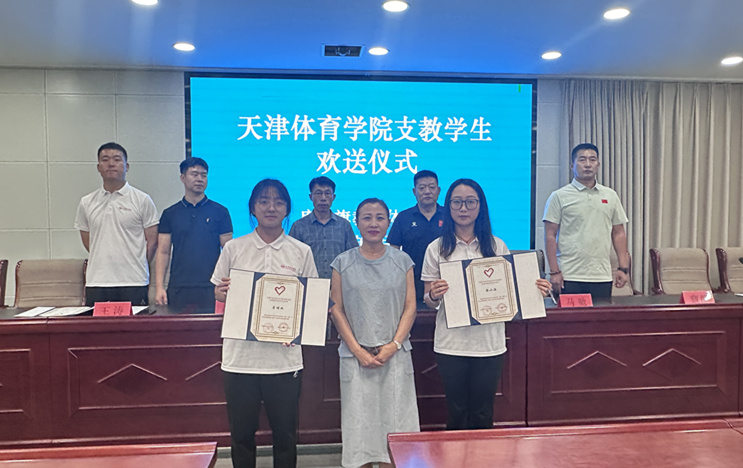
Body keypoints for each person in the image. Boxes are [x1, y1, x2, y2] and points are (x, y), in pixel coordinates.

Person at [421, 178, 551, 430]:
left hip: (489, 343)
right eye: (457, 202)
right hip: (451, 344)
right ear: (448, 206)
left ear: (480, 206)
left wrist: (534, 289)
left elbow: (510, 292)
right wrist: (434, 295)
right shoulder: (436, 248)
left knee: (483, 413)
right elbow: (428, 301)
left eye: (470, 202)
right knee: (457, 412)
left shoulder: (496, 245)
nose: (463, 208)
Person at [212, 179, 317, 468]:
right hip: (240, 359)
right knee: (241, 436)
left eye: (278, 202)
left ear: (287, 209)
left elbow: (310, 301)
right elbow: (218, 290)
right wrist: (222, 292)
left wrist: (298, 328)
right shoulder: (234, 248)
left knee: (285, 436)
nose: (271, 207)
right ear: (252, 208)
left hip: (283, 360)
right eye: (263, 201)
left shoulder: (301, 251)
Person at [330, 198, 419, 468]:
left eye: (380, 217)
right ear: (356, 222)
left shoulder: (402, 261)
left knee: (396, 427)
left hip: (394, 355)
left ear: (388, 223)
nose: (373, 223)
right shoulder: (342, 262)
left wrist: (394, 344)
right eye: (366, 217)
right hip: (356, 358)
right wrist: (358, 350)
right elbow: (336, 309)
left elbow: (410, 306)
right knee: (359, 430)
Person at [75, 142, 159, 306]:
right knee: (97, 323)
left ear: (127, 166)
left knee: (133, 324)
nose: (111, 164)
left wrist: (136, 260)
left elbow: (152, 241)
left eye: (117, 159)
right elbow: (88, 241)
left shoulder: (142, 200)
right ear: (98, 167)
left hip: (134, 280)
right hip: (97, 281)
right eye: (105, 159)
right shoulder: (86, 202)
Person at [543, 143, 630, 299]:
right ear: (572, 165)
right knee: (570, 316)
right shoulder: (559, 196)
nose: (588, 164)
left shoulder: (610, 195)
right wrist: (554, 271)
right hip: (569, 275)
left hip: (601, 276)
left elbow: (618, 233)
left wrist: (623, 268)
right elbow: (550, 235)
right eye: (582, 160)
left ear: (598, 164)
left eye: (592, 159)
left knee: (601, 316)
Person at [155, 157, 232, 312]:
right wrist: (159, 287)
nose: (199, 179)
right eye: (194, 174)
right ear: (182, 178)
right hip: (179, 286)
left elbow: (229, 251)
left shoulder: (220, 212)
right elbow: (163, 252)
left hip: (211, 286)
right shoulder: (170, 213)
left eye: (204, 175)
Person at [388, 170, 445, 306]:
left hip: (444, 283)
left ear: (438, 190)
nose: (427, 192)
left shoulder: (449, 215)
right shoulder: (403, 217)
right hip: (412, 284)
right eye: (422, 188)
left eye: (431, 187)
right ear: (414, 191)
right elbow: (393, 251)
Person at [288, 176, 358, 279]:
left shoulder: (344, 225)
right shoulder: (299, 226)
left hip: (339, 284)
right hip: (308, 284)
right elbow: (291, 259)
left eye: (327, 193)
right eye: (318, 193)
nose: (323, 198)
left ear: (333, 197)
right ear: (311, 197)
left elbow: (353, 256)